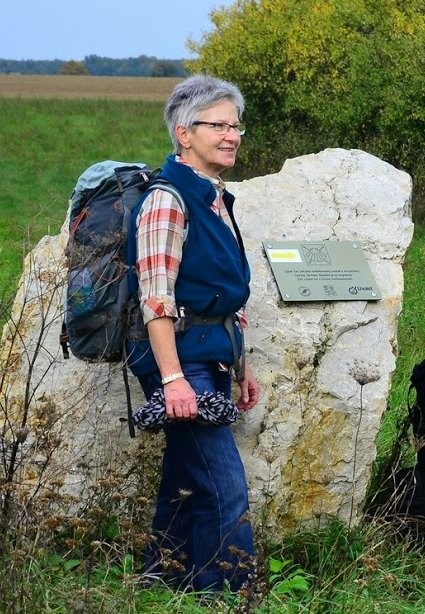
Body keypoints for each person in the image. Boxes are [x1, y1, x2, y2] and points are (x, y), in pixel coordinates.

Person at [125, 74, 260, 591]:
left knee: (186, 478)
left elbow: (224, 296)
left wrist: (241, 368)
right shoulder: (168, 200)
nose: (232, 135)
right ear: (184, 133)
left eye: (236, 126)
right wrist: (174, 380)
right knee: (225, 489)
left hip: (211, 360)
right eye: (219, 126)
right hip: (182, 363)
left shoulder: (213, 198)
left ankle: (161, 582)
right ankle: (227, 597)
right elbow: (156, 301)